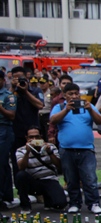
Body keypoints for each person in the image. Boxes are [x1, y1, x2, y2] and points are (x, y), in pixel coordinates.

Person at [49, 83, 101, 214]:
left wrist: (90, 109)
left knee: (90, 178)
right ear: (64, 95)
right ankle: (74, 203)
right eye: (70, 94)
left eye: (76, 93)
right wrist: (66, 110)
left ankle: (93, 203)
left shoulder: (87, 106)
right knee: (71, 179)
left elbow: (100, 121)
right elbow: (53, 120)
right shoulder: (59, 107)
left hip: (86, 149)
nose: (74, 96)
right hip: (67, 149)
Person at [15, 127, 67, 214]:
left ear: (41, 137)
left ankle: (48, 200)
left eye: (37, 137)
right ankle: (25, 206)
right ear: (26, 138)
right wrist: (27, 152)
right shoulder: (21, 150)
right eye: (31, 137)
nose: (34, 139)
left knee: (60, 204)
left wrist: (50, 152)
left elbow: (59, 166)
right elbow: (21, 167)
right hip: (33, 181)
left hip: (49, 179)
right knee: (21, 175)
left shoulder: (50, 147)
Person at [10, 66, 44, 169]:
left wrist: (25, 91)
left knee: (38, 156)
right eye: (15, 78)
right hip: (16, 132)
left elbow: (40, 105)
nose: (18, 80)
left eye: (20, 77)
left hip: (34, 132)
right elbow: (6, 105)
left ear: (26, 77)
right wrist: (13, 88)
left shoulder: (36, 90)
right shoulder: (11, 92)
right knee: (17, 159)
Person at [0, 70, 17, 210]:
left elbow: (11, 115)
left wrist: (0, 108)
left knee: (2, 163)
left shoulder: (8, 96)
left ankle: (4, 196)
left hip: (4, 129)